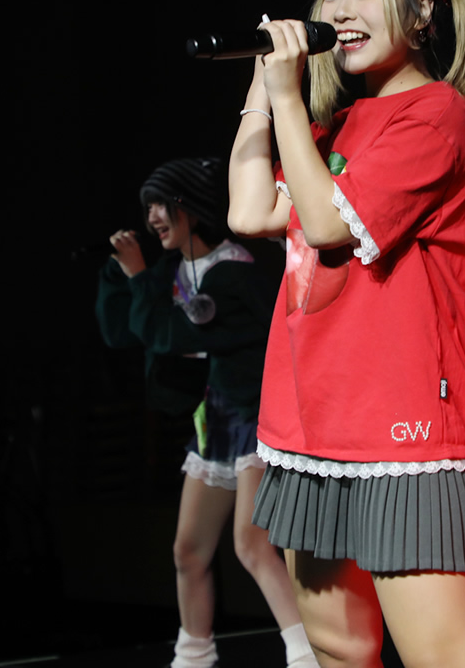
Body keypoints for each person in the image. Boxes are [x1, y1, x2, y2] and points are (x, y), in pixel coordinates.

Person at [227, 0, 465, 668]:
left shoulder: (440, 116)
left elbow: (325, 224)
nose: (340, 9)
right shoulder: (339, 125)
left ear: (422, 11)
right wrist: (262, 90)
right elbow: (249, 212)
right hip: (313, 424)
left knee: (443, 657)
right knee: (337, 646)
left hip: (403, 429)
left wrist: (288, 100)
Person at [95, 156, 315, 668]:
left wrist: (140, 278)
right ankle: (193, 653)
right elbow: (122, 332)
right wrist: (120, 274)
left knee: (251, 544)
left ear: (190, 207)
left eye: (161, 205)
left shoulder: (233, 272)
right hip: (214, 423)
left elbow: (169, 334)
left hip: (257, 418)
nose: (153, 217)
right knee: (188, 550)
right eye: (148, 207)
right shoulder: (176, 271)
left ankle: (306, 652)